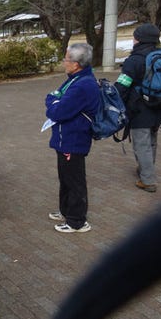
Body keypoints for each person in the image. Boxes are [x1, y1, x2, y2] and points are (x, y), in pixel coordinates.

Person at [44, 42, 100, 233]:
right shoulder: (74, 79)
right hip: (65, 138)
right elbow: (52, 96)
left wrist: (54, 101)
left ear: (76, 63)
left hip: (74, 139)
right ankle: (65, 210)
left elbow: (57, 111)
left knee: (74, 180)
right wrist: (54, 100)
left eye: (66, 59)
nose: (64, 62)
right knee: (65, 177)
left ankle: (77, 221)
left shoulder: (83, 85)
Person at [114, 23, 161, 193]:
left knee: (142, 144)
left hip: (140, 108)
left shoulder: (135, 60)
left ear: (138, 39)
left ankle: (147, 179)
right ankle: (147, 169)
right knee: (152, 140)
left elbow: (123, 85)